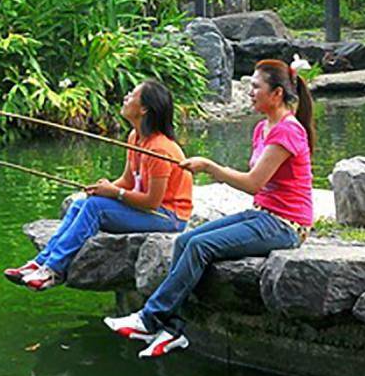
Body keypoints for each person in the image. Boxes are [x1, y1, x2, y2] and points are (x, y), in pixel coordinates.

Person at [106, 58, 315, 357]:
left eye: (256, 87)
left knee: (200, 246)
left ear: (277, 93)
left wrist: (209, 166)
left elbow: (253, 183)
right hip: (263, 215)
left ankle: (149, 318)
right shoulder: (262, 128)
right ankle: (173, 329)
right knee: (186, 240)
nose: (250, 92)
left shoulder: (288, 131)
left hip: (286, 225)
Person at [4, 79, 193, 290]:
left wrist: (114, 193)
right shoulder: (135, 137)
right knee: (82, 203)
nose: (125, 97)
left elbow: (152, 201)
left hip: (169, 217)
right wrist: (101, 190)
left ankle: (53, 271)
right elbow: (129, 180)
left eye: (131, 96)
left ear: (144, 110)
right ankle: (39, 262)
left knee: (95, 208)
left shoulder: (159, 149)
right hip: (152, 210)